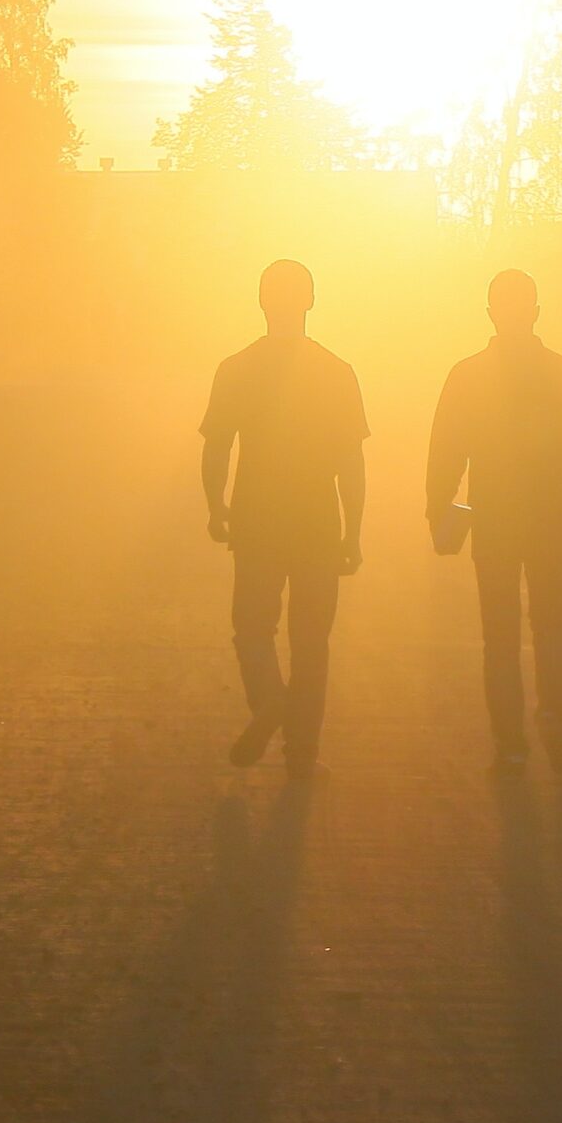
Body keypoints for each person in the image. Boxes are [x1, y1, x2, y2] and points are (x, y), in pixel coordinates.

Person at [426, 269, 562, 777]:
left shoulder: (467, 375)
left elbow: (446, 451)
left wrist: (439, 511)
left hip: (493, 520)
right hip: (552, 517)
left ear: (490, 312)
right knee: (552, 625)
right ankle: (552, 715)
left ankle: (510, 742)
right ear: (535, 310)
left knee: (500, 634)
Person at [200, 259, 368, 778]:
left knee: (251, 627)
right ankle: (301, 755)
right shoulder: (336, 372)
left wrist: (216, 506)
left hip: (256, 518)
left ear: (261, 302)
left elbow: (216, 448)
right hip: (316, 520)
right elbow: (350, 463)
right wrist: (353, 532)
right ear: (311, 301)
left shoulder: (236, 368)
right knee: (312, 642)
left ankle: (270, 698)